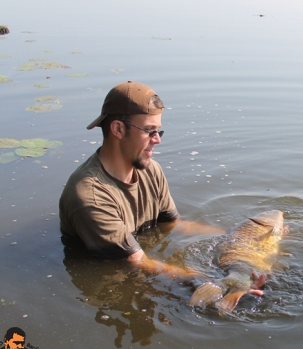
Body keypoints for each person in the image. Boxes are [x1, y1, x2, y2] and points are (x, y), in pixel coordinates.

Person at [59, 81, 266, 289]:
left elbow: (173, 224)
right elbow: (137, 262)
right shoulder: (90, 196)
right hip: (111, 281)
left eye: (159, 131)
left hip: (137, 254)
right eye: (149, 131)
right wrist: (219, 283)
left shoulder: (151, 170)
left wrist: (240, 243)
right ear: (118, 129)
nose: (157, 140)